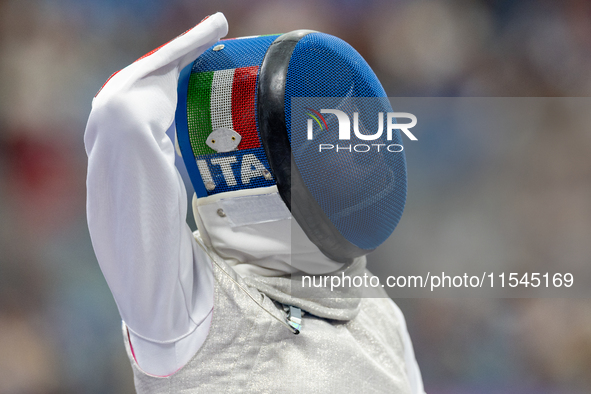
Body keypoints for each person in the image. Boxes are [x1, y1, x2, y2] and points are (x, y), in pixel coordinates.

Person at [85, 12, 424, 393]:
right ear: (270, 168)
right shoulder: (191, 309)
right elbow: (120, 116)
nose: (364, 149)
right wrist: (173, 75)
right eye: (327, 135)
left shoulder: (376, 308)